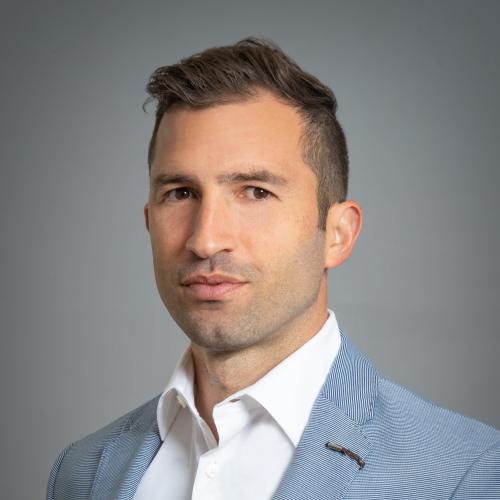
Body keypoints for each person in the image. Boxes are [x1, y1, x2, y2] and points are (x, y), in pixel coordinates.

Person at [47, 38, 500, 500]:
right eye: (180, 193)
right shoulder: (82, 472)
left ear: (338, 234)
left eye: (255, 191)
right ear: (149, 221)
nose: (205, 239)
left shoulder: (468, 474)